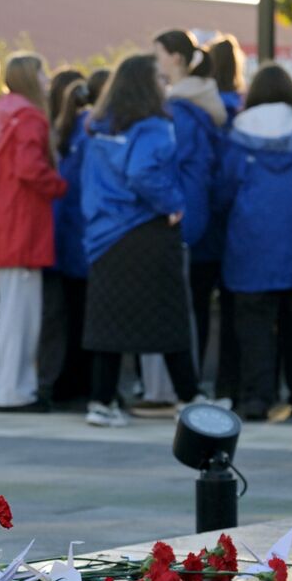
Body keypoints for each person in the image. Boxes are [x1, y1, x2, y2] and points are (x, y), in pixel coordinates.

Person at [80, 53, 199, 426]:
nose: (166, 86)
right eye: (161, 80)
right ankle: (190, 397)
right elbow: (143, 172)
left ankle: (101, 402)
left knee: (107, 321)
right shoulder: (154, 126)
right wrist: (174, 204)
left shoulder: (98, 125)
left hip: (103, 233)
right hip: (145, 229)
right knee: (170, 316)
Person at [214, 64, 292, 420]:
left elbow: (225, 188)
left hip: (250, 241)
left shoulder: (237, 135)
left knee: (253, 322)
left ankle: (256, 397)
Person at [136, 29, 228, 413]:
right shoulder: (200, 104)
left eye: (157, 54)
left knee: (174, 307)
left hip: (178, 218)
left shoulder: (181, 111)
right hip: (193, 215)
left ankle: (169, 391)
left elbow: (166, 167)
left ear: (174, 57)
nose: (154, 61)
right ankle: (172, 389)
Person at [0, 52, 67, 411]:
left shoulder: (2, 113)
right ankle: (14, 391)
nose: (46, 80)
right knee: (22, 317)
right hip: (23, 228)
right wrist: (60, 185)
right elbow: (31, 169)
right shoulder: (28, 116)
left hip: (2, 226)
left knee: (10, 314)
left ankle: (10, 389)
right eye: (42, 73)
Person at [40, 68, 108, 404]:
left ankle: (66, 382)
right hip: (85, 236)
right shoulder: (92, 132)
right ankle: (78, 383)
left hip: (65, 235)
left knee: (67, 314)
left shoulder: (65, 130)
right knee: (84, 316)